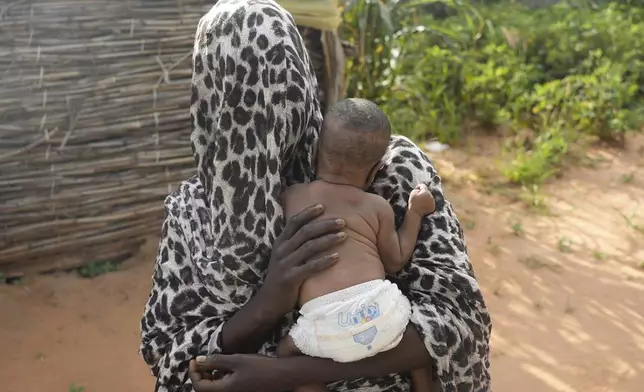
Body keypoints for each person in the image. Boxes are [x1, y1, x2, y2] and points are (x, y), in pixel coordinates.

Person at [139, 0, 492, 391]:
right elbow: (169, 355)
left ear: (301, 80)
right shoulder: (192, 211)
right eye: (241, 99)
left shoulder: (392, 168)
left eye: (278, 88)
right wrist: (266, 304)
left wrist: (291, 371)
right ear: (212, 98)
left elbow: (460, 317)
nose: (263, 118)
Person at [275, 98, 437, 392]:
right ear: (376, 170)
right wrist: (415, 212)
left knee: (285, 354)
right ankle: (424, 384)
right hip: (383, 314)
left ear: (314, 154)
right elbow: (395, 261)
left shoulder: (290, 198)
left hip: (324, 326)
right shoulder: (376, 206)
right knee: (421, 346)